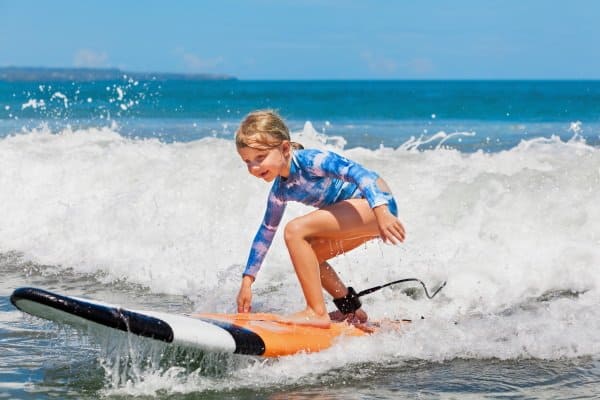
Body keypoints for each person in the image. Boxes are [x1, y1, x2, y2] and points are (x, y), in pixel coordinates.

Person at [235, 110, 405, 328]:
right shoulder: (280, 190)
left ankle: (315, 312)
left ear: (285, 148)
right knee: (310, 254)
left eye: (260, 158)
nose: (254, 167)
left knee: (294, 230)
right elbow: (265, 232)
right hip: (358, 215)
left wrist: (380, 210)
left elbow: (360, 173)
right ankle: (350, 310)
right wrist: (247, 281)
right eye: (247, 161)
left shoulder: (310, 161)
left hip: (376, 205)